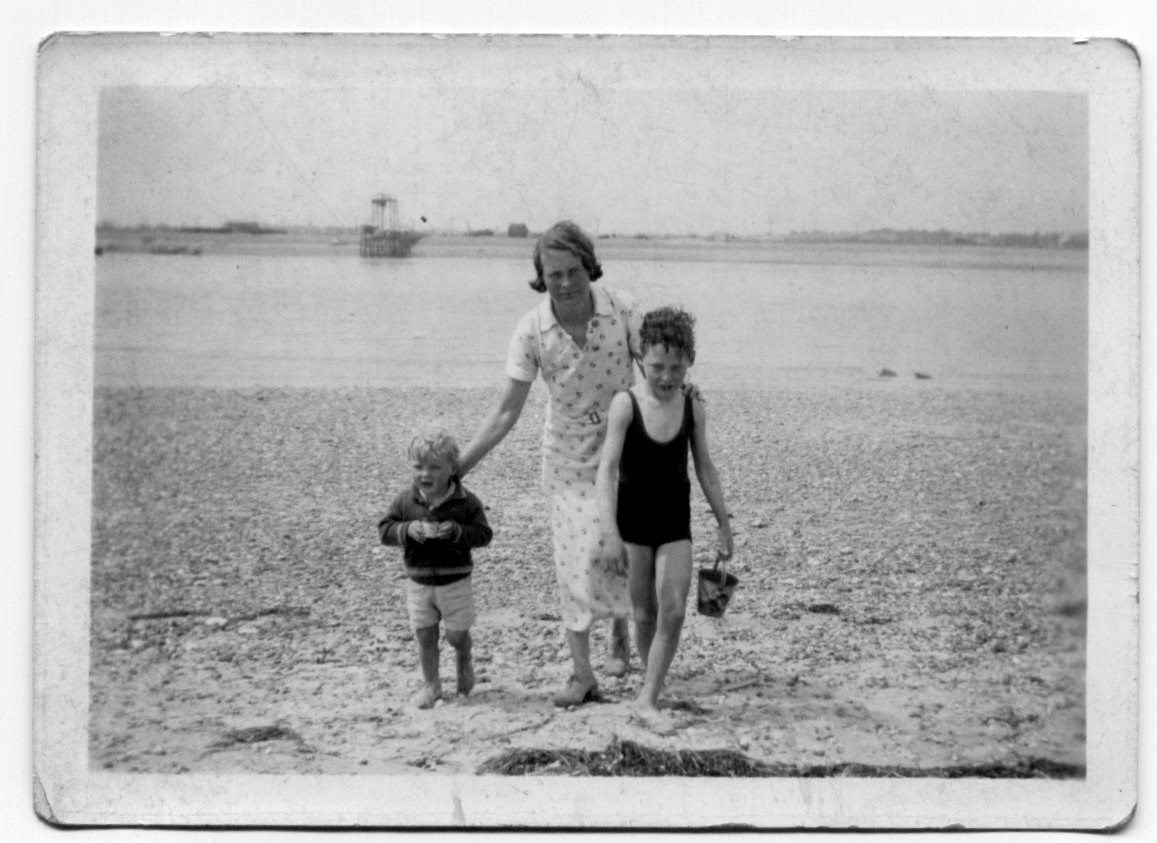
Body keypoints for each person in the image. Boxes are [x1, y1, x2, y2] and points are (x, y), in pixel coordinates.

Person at [458, 220, 639, 707]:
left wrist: (686, 402)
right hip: (565, 458)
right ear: (541, 275)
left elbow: (658, 372)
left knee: (617, 546)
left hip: (624, 451)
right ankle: (582, 674)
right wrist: (459, 469)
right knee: (574, 564)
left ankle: (620, 630)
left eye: (573, 270)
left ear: (589, 267)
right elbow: (505, 411)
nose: (564, 283)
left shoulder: (621, 310)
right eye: (553, 273)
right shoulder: (531, 329)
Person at [596, 306, 733, 735]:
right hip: (633, 524)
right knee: (644, 614)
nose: (668, 376)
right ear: (641, 359)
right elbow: (606, 470)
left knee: (673, 612)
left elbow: (705, 468)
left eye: (677, 366)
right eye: (658, 366)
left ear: (690, 361)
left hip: (675, 523)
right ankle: (651, 683)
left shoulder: (693, 406)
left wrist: (724, 523)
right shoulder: (625, 404)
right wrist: (610, 534)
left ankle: (647, 699)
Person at [379, 429, 493, 709]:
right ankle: (431, 685)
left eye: (434, 467)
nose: (425, 474)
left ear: (452, 469)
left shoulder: (465, 502)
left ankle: (463, 654)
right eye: (418, 467)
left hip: (455, 581)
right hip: (418, 581)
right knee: (424, 634)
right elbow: (385, 530)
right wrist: (407, 529)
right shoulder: (406, 501)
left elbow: (483, 534)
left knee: (456, 634)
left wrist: (456, 531)